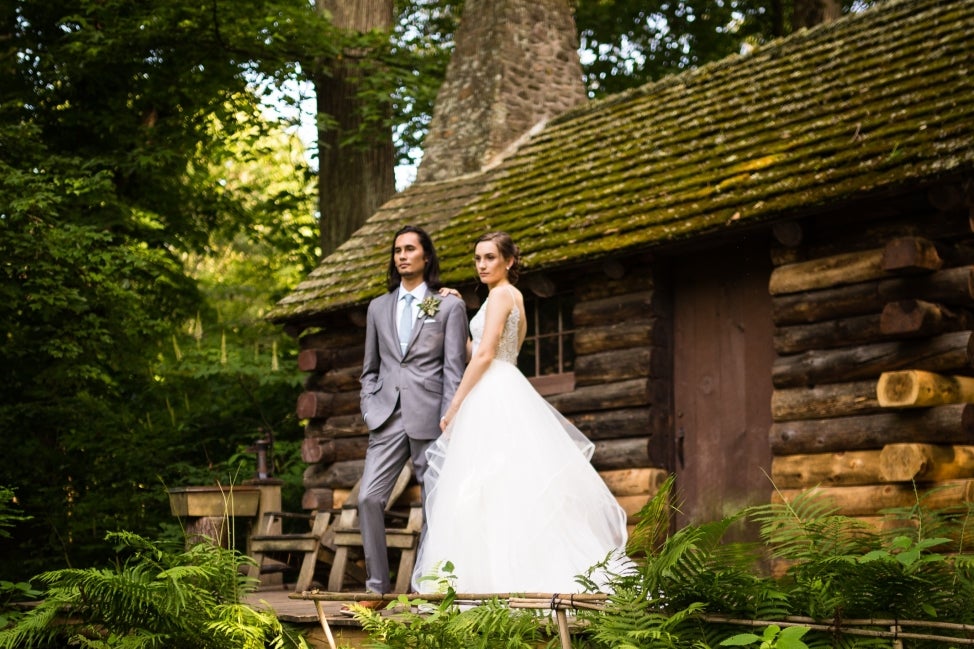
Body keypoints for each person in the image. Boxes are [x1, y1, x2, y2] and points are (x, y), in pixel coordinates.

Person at [413, 231, 630, 595]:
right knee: (504, 484)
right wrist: (454, 308)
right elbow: (482, 349)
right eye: (477, 259)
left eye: (490, 258)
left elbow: (483, 356)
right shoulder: (513, 298)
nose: (482, 265)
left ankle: (497, 583)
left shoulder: (500, 295)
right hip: (505, 384)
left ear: (509, 262)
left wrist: (455, 404)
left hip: (493, 392)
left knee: (492, 485)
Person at [353, 225, 468, 608]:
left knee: (436, 501)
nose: (402, 256)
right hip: (385, 417)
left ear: (426, 257)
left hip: (431, 417)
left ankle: (428, 587)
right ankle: (377, 589)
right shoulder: (377, 307)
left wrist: (450, 415)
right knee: (369, 497)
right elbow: (370, 367)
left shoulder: (448, 305)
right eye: (397, 250)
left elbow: (453, 367)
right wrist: (369, 404)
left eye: (410, 249)